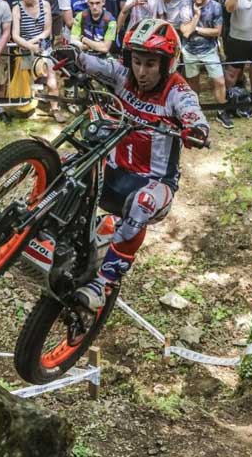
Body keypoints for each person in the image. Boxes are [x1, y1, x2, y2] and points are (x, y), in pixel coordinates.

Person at [72, 18, 208, 312]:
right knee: (71, 161)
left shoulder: (178, 91)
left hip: (153, 185)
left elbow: (193, 112)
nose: (142, 72)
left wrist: (196, 129)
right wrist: (68, 54)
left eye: (150, 64)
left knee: (143, 202)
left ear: (167, 64)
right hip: (113, 172)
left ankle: (103, 283)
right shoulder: (124, 76)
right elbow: (92, 63)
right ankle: (41, 224)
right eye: (137, 61)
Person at [179, 0, 231, 128]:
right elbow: (185, 32)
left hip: (209, 51)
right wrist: (196, 16)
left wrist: (195, 28)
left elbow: (217, 32)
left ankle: (221, 111)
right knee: (193, 81)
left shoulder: (215, 6)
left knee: (219, 81)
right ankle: (195, 112)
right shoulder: (186, 5)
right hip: (189, 51)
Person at [12, 0, 64, 122]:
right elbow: (15, 35)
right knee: (28, 81)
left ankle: (55, 108)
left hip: (43, 47)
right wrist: (29, 46)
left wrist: (35, 42)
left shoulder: (44, 4)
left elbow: (47, 30)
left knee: (51, 79)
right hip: (25, 49)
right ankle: (30, 107)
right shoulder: (16, 8)